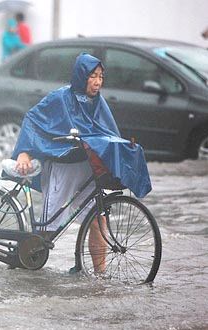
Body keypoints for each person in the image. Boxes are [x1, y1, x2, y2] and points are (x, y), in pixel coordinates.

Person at [12, 53, 151, 273]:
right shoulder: (60, 98)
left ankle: (100, 274)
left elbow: (108, 134)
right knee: (48, 229)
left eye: (101, 77)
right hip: (62, 166)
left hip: (86, 168)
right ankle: (25, 263)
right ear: (81, 76)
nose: (97, 82)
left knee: (97, 219)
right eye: (92, 76)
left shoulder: (98, 102)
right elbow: (32, 119)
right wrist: (24, 153)